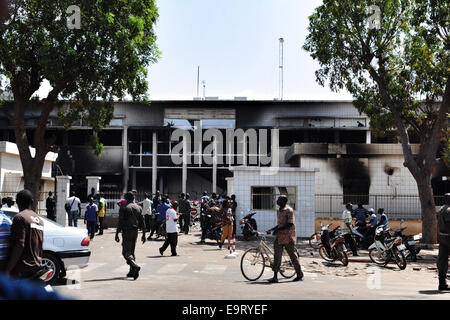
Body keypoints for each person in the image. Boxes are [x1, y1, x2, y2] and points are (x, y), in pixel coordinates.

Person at [5, 190, 44, 279]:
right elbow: (41, 244)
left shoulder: (20, 218)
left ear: (17, 202)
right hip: (35, 266)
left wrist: (8, 269)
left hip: (21, 268)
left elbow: (19, 245)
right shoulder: (39, 220)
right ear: (32, 202)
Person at [266, 195, 303, 283]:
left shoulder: (289, 210)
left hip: (288, 237)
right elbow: (280, 224)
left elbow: (290, 224)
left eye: (279, 200)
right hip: (279, 237)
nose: (277, 201)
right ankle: (275, 277)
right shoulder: (278, 211)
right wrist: (272, 229)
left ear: (283, 201)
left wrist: (277, 230)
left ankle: (299, 274)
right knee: (277, 257)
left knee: (293, 257)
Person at [115, 192, 146, 280]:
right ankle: (132, 271)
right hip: (135, 231)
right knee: (132, 251)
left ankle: (135, 266)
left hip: (127, 230)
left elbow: (120, 221)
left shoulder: (124, 207)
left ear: (126, 198)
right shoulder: (138, 207)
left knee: (126, 252)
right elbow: (142, 222)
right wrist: (144, 234)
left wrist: (117, 233)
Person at [437, 193, 450, 291]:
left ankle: (442, 283)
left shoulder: (441, 209)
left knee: (442, 260)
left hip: (442, 237)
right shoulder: (449, 210)